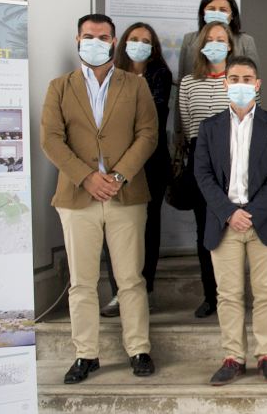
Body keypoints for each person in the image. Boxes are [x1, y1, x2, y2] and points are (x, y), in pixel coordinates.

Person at [39, 13, 158, 384]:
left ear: (113, 42)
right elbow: (51, 140)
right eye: (88, 36)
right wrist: (87, 177)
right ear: (78, 40)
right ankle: (85, 355)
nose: (95, 42)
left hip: (126, 195)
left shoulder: (135, 85)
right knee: (82, 281)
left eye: (103, 37)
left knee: (130, 278)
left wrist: (118, 176)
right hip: (78, 197)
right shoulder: (60, 87)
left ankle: (138, 349)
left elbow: (148, 134)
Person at [193, 57, 267, 386]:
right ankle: (233, 357)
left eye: (247, 78)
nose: (240, 84)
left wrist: (251, 212)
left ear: (257, 84)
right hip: (224, 222)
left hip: (263, 221)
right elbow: (202, 174)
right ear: (225, 83)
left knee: (266, 294)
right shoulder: (209, 127)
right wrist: (229, 212)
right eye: (234, 78)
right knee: (228, 295)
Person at [100, 22, 174, 318]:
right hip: (113, 164)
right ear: (123, 43)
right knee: (114, 228)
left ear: (153, 47)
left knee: (148, 228)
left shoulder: (161, 75)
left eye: (145, 40)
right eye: (134, 39)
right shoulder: (109, 74)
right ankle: (119, 293)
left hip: (151, 163)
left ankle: (146, 290)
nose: (139, 44)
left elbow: (154, 117)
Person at [179, 21, 252, 319]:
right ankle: (211, 295)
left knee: (237, 229)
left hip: (237, 159)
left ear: (230, 45)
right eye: (209, 39)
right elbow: (187, 125)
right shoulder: (188, 83)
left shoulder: (241, 80)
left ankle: (237, 294)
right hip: (201, 161)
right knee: (206, 232)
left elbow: (252, 120)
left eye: (221, 39)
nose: (215, 44)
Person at [178, 0, 260, 81]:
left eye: (223, 10)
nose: (216, 13)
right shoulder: (189, 39)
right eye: (211, 9)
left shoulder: (246, 41)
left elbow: (254, 80)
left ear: (232, 15)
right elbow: (182, 77)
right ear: (203, 12)